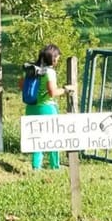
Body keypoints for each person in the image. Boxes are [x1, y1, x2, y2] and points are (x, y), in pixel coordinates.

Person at [19, 43, 73, 171]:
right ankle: (54, 166)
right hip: (47, 108)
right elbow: (52, 92)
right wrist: (66, 90)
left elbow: (21, 86)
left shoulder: (30, 70)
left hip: (31, 108)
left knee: (36, 138)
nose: (57, 61)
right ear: (53, 58)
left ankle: (36, 166)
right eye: (57, 58)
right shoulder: (49, 72)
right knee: (52, 138)